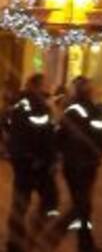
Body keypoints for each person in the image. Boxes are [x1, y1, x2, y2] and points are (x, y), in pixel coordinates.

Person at [42, 77, 102, 252]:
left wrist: (62, 155)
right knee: (82, 205)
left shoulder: (70, 110)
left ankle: (85, 243)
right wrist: (97, 156)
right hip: (86, 165)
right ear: (88, 91)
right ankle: (55, 235)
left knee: (83, 205)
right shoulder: (93, 110)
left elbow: (58, 136)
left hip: (72, 165)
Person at [5, 73, 58, 252]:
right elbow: (42, 136)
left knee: (21, 203)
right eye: (45, 84)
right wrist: (46, 159)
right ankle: (26, 240)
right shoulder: (33, 105)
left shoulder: (21, 103)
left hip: (25, 161)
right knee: (49, 201)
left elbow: (7, 126)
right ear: (36, 86)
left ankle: (16, 242)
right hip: (34, 163)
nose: (49, 87)